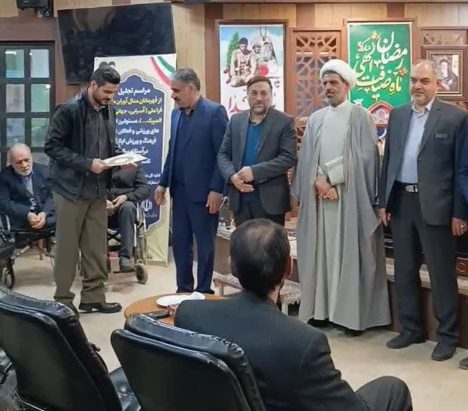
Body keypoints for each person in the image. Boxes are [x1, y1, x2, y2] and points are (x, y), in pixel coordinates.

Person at [175, 219, 413, 411]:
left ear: (232, 266)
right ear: (288, 268)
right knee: (393, 389)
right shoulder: (303, 343)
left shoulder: (189, 315)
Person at [292, 59, 390, 334]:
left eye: (334, 83)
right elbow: (307, 157)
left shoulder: (360, 116)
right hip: (321, 200)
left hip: (349, 199)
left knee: (348, 255)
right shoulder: (316, 119)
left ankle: (350, 317)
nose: (329, 88)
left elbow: (366, 157)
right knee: (322, 255)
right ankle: (321, 311)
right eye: (325, 83)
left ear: (347, 86)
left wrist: (331, 178)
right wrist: (319, 183)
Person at [379, 60, 467, 361]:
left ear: (437, 84)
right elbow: (389, 160)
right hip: (402, 203)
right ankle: (411, 329)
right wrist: (384, 202)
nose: (417, 86)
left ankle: (447, 336)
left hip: (437, 207)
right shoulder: (398, 115)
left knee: (441, 274)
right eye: (414, 80)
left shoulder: (456, 118)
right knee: (404, 270)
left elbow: (461, 170)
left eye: (424, 81)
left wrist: (460, 213)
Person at [44, 66, 123, 315]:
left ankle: (93, 298)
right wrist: (87, 164)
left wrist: (121, 158)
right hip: (70, 190)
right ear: (93, 85)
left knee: (96, 248)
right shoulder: (68, 110)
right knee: (68, 248)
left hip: (98, 191)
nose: (111, 97)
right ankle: (63, 300)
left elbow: (108, 146)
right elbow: (52, 147)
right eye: (107, 91)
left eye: (114, 92)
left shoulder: (109, 109)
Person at [154, 68, 228, 294]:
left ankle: (203, 290)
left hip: (205, 194)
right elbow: (172, 151)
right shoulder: (175, 114)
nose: (173, 95)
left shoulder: (215, 113)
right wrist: (162, 183)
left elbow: (223, 154)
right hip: (180, 192)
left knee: (204, 245)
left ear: (191, 88)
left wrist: (217, 189)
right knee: (180, 244)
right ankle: (183, 289)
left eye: (176, 90)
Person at [217, 76, 296, 226]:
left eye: (264, 93)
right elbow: (223, 155)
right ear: (247, 96)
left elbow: (288, 158)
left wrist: (254, 172)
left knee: (269, 241)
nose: (259, 98)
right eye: (254, 93)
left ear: (271, 95)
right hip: (240, 200)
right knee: (243, 241)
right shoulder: (236, 121)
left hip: (271, 201)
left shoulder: (284, 122)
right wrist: (232, 176)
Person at [0, 144, 55, 230]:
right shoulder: (4, 176)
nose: (24, 165)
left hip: (45, 215)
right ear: (11, 162)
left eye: (26, 160)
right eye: (19, 162)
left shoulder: (45, 171)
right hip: (20, 219)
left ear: (31, 157)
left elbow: (53, 195)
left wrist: (45, 213)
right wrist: (27, 214)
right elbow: (4, 203)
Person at [107, 165, 150, 272]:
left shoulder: (134, 166)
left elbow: (145, 190)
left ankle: (125, 258)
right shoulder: (102, 165)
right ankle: (102, 258)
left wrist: (127, 197)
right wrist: (103, 200)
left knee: (128, 207)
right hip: (104, 205)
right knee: (96, 209)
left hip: (126, 208)